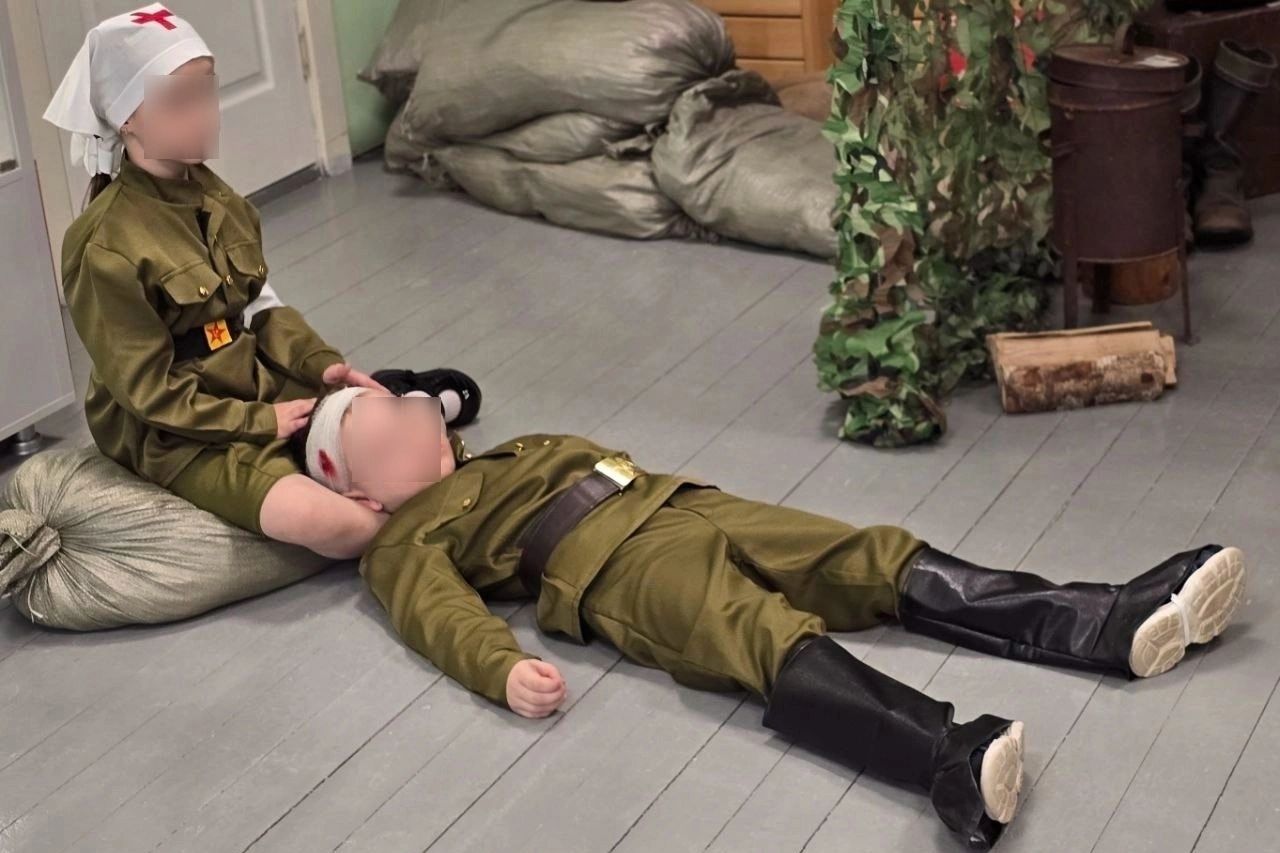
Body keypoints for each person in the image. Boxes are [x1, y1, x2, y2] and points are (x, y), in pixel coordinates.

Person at [288, 386, 1247, 849]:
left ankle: (1103, 622)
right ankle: (947, 759)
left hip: (676, 499)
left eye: (401, 410)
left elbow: (441, 392)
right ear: (361, 493)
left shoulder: (494, 451)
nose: (406, 424)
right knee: (759, 636)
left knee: (864, 553)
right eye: (382, 438)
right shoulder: (399, 541)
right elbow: (438, 617)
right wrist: (499, 667)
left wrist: (400, 397)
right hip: (610, 564)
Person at [41, 5, 480, 559]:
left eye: (206, 91)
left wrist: (317, 363)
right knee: (324, 520)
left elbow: (258, 308)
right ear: (127, 118)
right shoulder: (104, 246)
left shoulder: (217, 197)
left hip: (244, 371)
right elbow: (148, 392)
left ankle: (401, 401)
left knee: (409, 442)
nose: (205, 115)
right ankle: (420, 534)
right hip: (173, 427)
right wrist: (257, 421)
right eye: (179, 100)